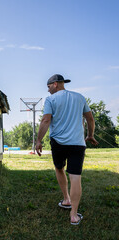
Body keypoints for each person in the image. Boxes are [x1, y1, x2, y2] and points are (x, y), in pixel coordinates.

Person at [35, 74, 98, 225]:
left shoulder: (51, 99)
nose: (48, 90)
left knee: (59, 168)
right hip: (77, 143)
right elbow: (90, 118)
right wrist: (90, 135)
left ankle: (66, 199)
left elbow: (45, 120)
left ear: (55, 84)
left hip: (58, 142)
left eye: (49, 86)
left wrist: (38, 140)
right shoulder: (80, 97)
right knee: (75, 176)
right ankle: (74, 215)